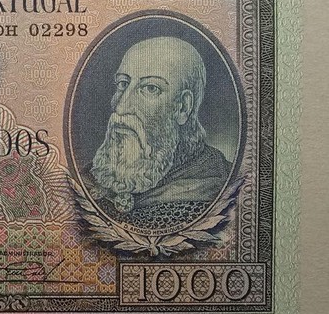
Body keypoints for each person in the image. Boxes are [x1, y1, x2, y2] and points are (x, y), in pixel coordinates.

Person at [82, 36, 230, 227]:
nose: (121, 107)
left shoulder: (218, 187)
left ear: (183, 107)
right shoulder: (89, 178)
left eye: (150, 88)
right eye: (123, 83)